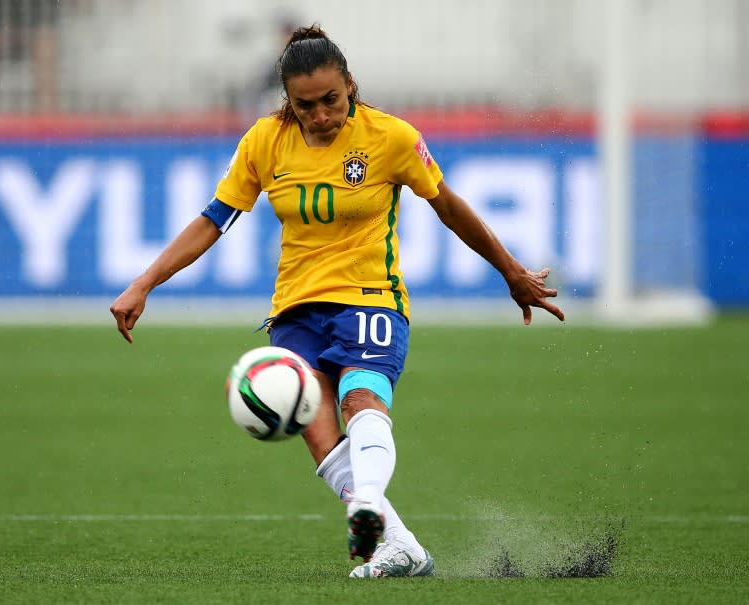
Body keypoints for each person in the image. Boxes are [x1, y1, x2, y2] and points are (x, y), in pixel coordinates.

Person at [109, 24, 565, 579]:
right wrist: (145, 282)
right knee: (321, 436)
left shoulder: (390, 138)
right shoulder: (264, 142)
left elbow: (448, 205)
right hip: (296, 311)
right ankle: (401, 548)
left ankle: (368, 506)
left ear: (350, 84)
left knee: (360, 401)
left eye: (331, 100)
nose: (322, 115)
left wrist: (512, 272)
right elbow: (214, 220)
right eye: (306, 106)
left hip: (372, 297)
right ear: (289, 102)